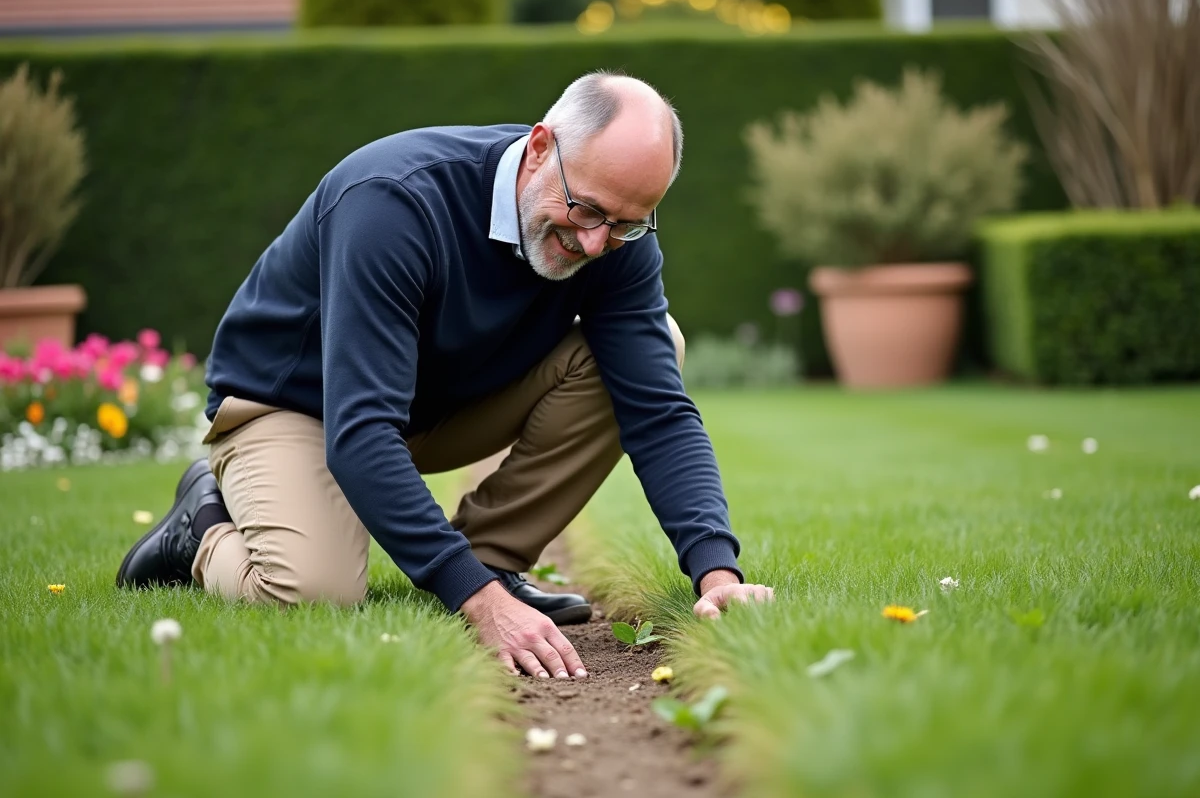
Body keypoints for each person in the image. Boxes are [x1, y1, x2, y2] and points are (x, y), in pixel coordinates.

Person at [116, 71, 774, 681]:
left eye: (629, 225)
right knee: (310, 594)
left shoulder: (616, 235)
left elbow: (658, 410)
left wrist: (717, 574)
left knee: (663, 342)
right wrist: (477, 605)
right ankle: (200, 525)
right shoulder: (393, 203)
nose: (599, 243)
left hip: (433, 408)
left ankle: (490, 560)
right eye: (589, 211)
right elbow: (361, 428)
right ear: (541, 147)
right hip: (295, 408)